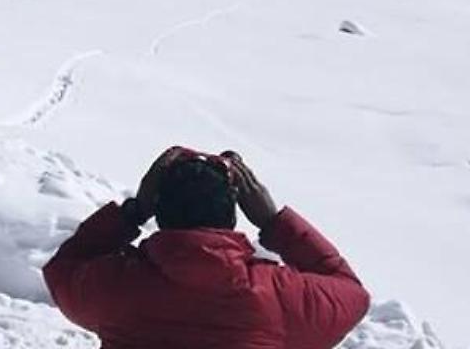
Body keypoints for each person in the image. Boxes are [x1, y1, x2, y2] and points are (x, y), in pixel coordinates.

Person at [43, 147, 369, 349]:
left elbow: (64, 269)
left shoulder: (119, 285)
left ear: (160, 212)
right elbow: (351, 293)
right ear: (231, 216)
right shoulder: (276, 295)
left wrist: (133, 212)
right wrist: (274, 222)